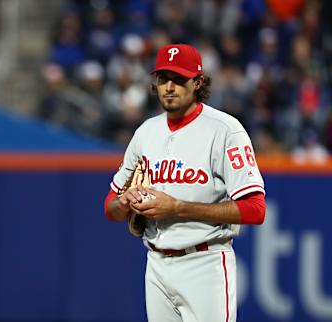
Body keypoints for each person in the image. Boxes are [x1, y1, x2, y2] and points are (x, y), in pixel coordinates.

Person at [104, 44, 266, 322]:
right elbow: (110, 207)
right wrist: (124, 202)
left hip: (205, 263)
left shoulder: (225, 130)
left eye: (179, 79)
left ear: (198, 82)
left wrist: (178, 207)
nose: (169, 87)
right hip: (155, 263)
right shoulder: (146, 132)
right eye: (163, 78)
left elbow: (255, 209)